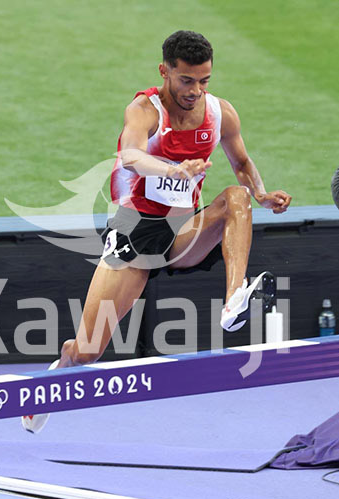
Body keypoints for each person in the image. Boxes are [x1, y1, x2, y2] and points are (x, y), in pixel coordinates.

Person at [22, 30, 292, 433]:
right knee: (88, 351)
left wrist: (261, 192)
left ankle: (234, 297)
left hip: (185, 231)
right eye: (186, 80)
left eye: (204, 81)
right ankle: (61, 366)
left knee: (237, 197)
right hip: (136, 232)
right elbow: (129, 155)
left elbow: (242, 161)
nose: (196, 91)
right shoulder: (145, 111)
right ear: (165, 71)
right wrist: (170, 169)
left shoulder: (220, 114)